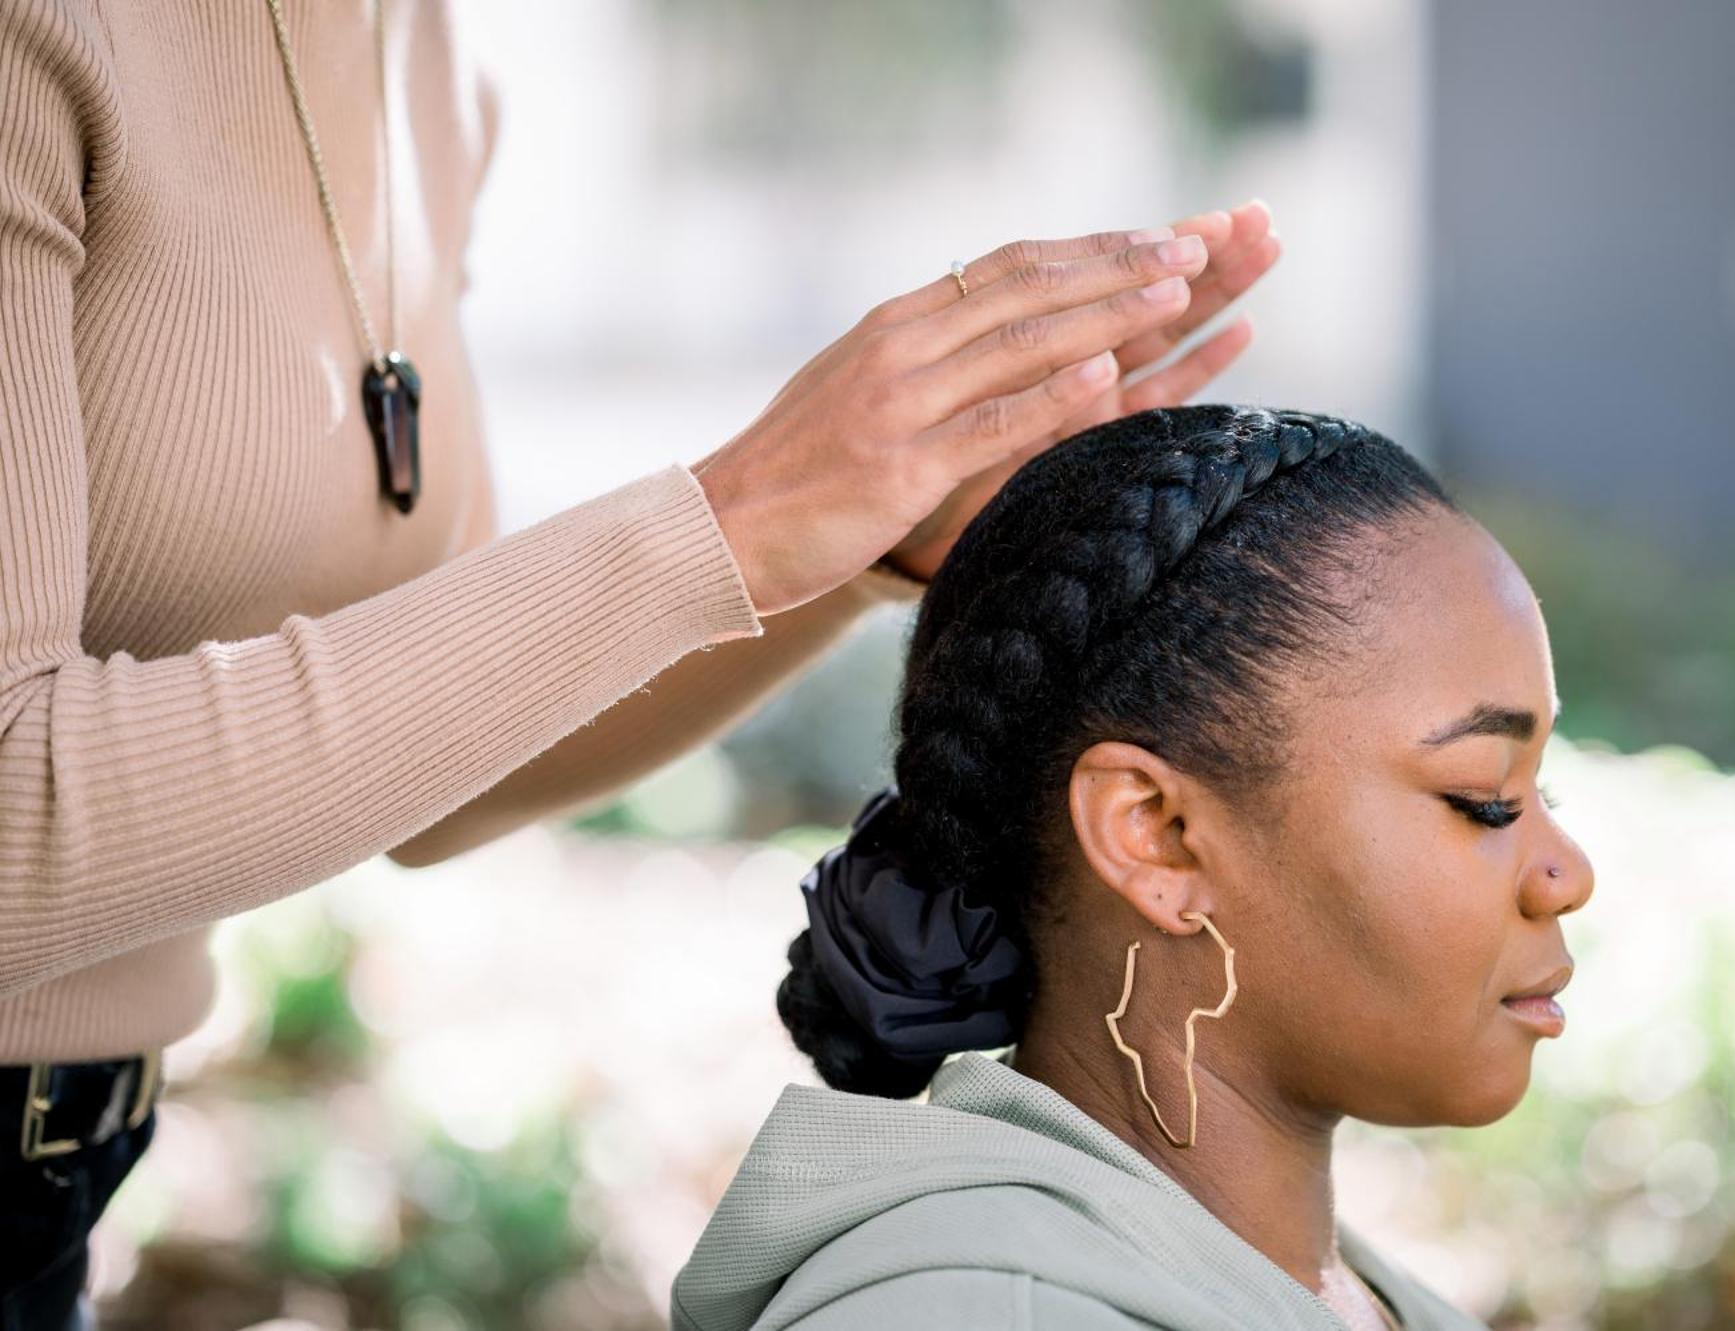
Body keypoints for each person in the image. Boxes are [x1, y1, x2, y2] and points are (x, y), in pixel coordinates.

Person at [0, 2, 1281, 1325]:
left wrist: (853, 551)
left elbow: (442, 769)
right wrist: (731, 513)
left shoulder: (417, 58)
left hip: (65, 1174)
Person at [671, 405, 1597, 1330]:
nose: (1567, 873)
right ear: (1155, 833)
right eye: (1486, 797)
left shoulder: (1353, 1292)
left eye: (1541, 789)